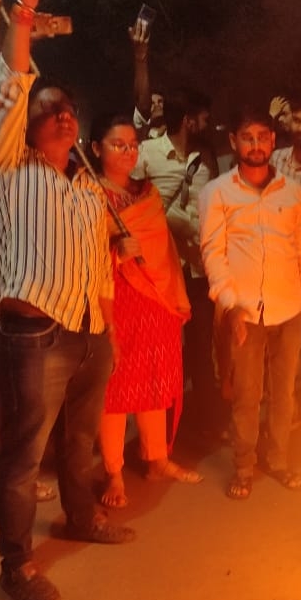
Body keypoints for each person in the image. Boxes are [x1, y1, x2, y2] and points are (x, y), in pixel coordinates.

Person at [0, 0, 135, 600]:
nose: (62, 114)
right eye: (48, 108)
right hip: (35, 331)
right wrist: (25, 16)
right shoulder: (8, 172)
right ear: (26, 124)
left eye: (68, 109)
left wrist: (107, 323)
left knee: (79, 438)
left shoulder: (83, 185)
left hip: (87, 328)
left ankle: (81, 516)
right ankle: (15, 563)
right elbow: (7, 94)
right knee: (21, 455)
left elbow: (100, 255)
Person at [199, 108, 301, 501]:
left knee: (283, 393)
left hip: (287, 308)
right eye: (247, 137)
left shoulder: (294, 193)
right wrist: (231, 304)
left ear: (273, 140)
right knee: (248, 394)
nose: (256, 145)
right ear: (234, 142)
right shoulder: (217, 192)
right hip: (244, 311)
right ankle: (244, 466)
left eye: (263, 137)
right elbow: (213, 253)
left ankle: (279, 460)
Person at [90, 114, 197, 509]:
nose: (128, 152)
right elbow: (77, 252)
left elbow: (161, 249)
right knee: (115, 388)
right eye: (118, 144)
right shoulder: (86, 193)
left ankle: (157, 459)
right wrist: (114, 252)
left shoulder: (147, 193)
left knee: (155, 382)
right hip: (113, 300)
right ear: (97, 148)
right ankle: (114, 471)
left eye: (133, 144)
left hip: (155, 299)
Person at [131, 86, 220, 438]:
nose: (207, 124)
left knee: (201, 349)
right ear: (187, 120)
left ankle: (206, 425)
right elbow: (133, 205)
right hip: (159, 270)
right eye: (203, 118)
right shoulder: (147, 154)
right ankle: (160, 429)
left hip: (197, 270)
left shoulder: (206, 158)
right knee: (162, 353)